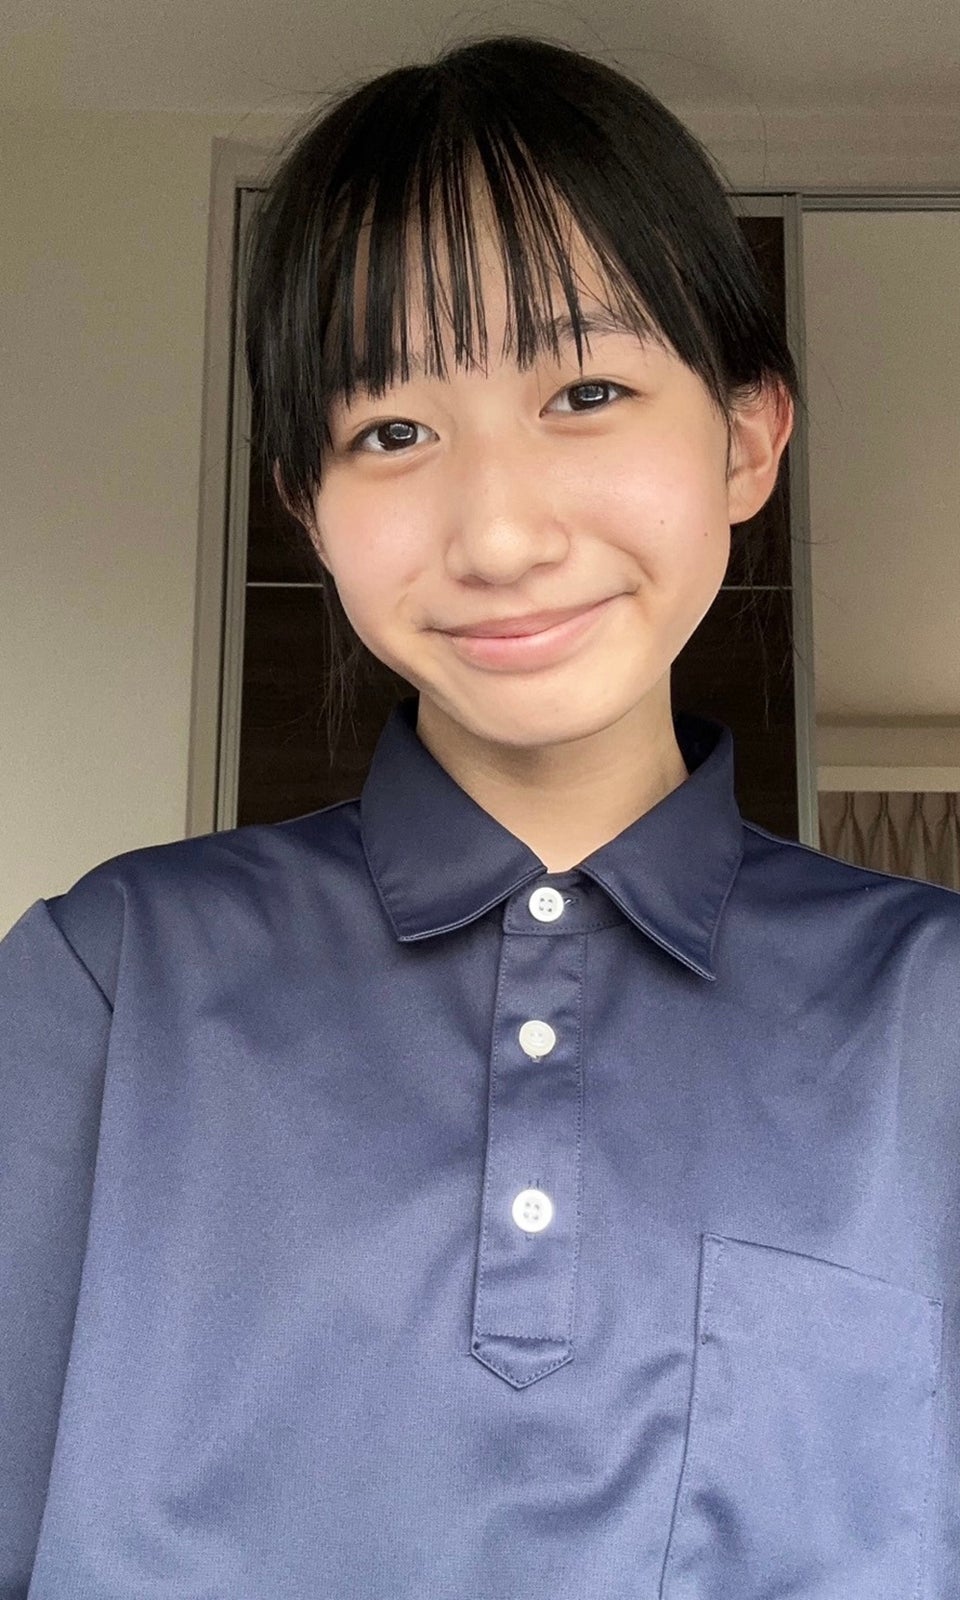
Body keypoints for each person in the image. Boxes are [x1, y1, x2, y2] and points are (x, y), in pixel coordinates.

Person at [1, 30, 957, 1600]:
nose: (500, 534)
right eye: (392, 432)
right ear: (309, 507)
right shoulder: (111, 977)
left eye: (586, 390)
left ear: (745, 438)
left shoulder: (936, 1009)